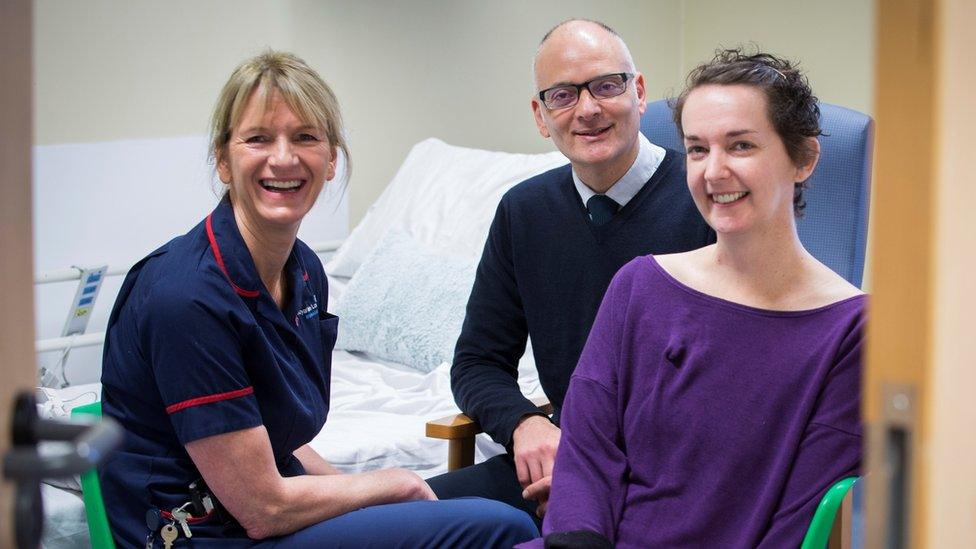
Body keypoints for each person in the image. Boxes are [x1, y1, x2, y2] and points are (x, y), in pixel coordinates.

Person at [98, 51, 537, 548]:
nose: (283, 158)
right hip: (207, 534)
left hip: (262, 508)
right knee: (502, 527)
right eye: (258, 138)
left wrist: (364, 492)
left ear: (331, 160)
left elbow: (277, 437)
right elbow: (261, 509)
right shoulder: (186, 297)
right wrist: (393, 484)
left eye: (305, 137)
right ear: (223, 160)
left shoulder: (304, 270)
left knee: (513, 498)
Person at [523, 49, 867, 548]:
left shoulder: (853, 331)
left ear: (804, 158)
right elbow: (587, 451)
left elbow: (800, 521)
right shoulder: (639, 287)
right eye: (698, 149)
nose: (713, 172)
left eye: (741, 145)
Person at [426, 19, 714, 522]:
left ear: (639, 92)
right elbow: (477, 362)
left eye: (606, 86)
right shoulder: (524, 212)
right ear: (541, 116)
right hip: (560, 463)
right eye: (562, 95)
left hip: (674, 479)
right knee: (400, 519)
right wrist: (524, 425)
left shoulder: (705, 202)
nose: (587, 109)